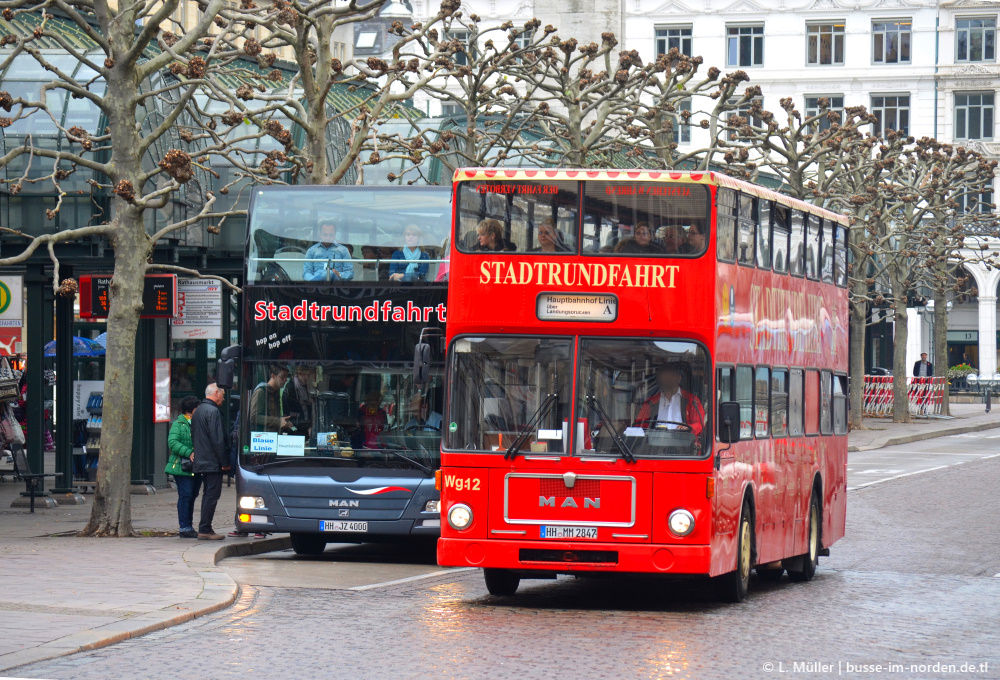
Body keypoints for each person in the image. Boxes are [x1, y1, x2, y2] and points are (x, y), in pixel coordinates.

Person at [192, 384, 231, 540]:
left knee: (208, 494)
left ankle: (204, 527)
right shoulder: (213, 411)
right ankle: (205, 528)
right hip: (213, 461)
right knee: (212, 495)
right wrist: (225, 461)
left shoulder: (199, 410)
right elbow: (218, 439)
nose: (224, 397)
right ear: (216, 393)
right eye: (222, 394)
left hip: (203, 460)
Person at [634, 363, 705, 437]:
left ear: (679, 378)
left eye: (671, 376)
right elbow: (639, 426)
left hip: (684, 445)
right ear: (660, 379)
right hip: (654, 445)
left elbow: (700, 425)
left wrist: (689, 428)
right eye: (665, 376)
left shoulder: (692, 400)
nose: (668, 379)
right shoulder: (650, 403)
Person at [166, 395, 202, 539]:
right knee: (186, 495)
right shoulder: (178, 424)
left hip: (195, 466)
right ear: (192, 410)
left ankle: (188, 525)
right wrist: (189, 453)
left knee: (192, 495)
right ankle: (184, 526)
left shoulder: (198, 422)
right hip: (181, 466)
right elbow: (173, 442)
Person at [250, 364, 291, 432]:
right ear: (273, 376)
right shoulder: (261, 392)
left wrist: (284, 421)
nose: (285, 380)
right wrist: (279, 421)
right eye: (282, 377)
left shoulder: (275, 392)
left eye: (286, 377)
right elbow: (254, 417)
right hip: (262, 438)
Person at [283, 365, 316, 437]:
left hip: (305, 425)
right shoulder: (290, 388)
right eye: (306, 375)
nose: (307, 378)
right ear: (300, 374)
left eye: (308, 375)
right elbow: (286, 411)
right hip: (294, 426)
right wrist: (293, 429)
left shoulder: (306, 387)